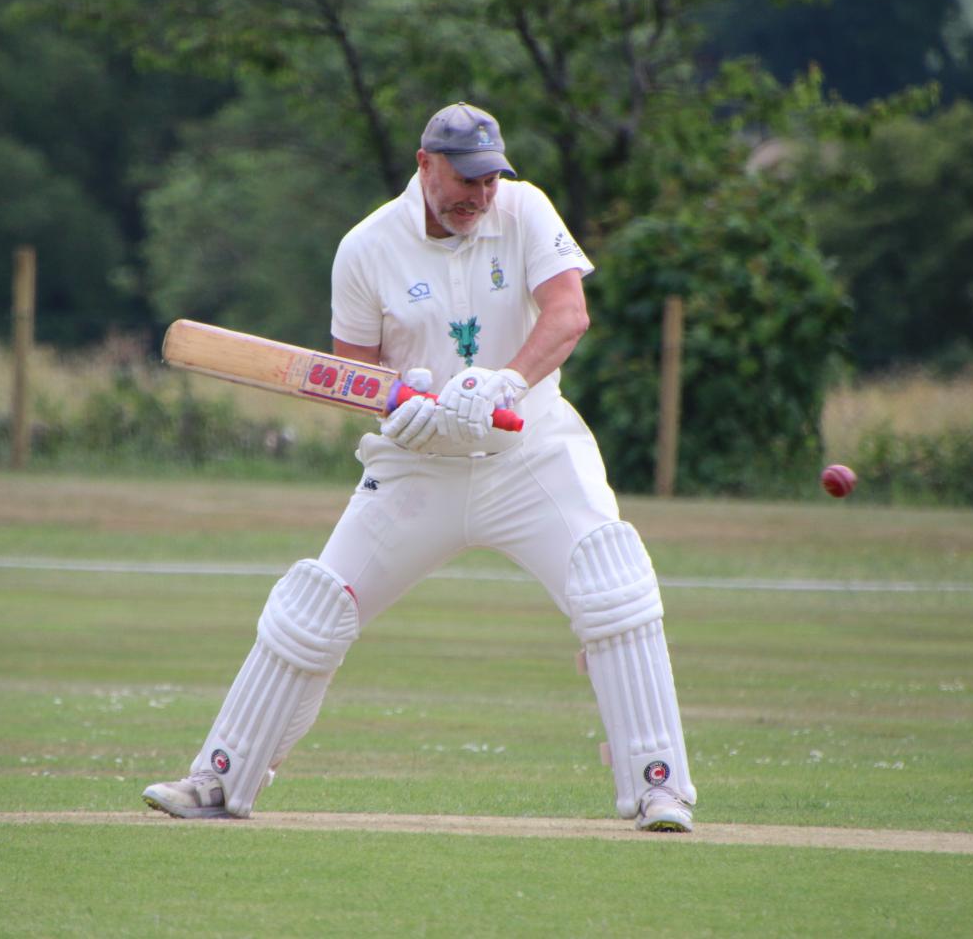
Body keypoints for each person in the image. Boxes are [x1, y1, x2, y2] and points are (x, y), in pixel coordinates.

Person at [143, 102, 696, 831]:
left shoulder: (524, 210)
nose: (480, 194)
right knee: (315, 609)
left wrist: (508, 381)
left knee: (613, 581)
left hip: (528, 451)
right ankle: (217, 778)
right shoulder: (366, 248)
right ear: (424, 164)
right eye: (466, 178)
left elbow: (568, 314)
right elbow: (354, 376)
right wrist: (397, 411)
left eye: (490, 179)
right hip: (414, 468)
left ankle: (660, 787)